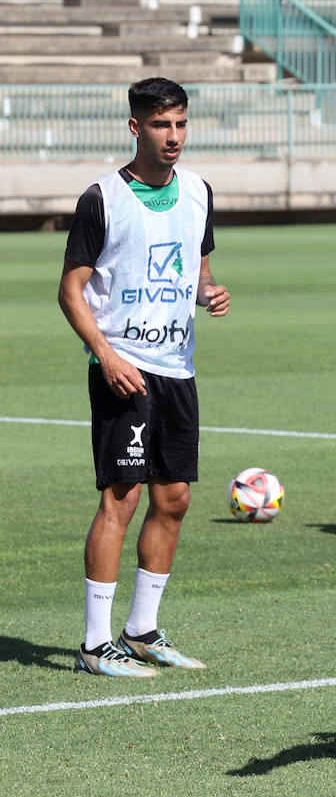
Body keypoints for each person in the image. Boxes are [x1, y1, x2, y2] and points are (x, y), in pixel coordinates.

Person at [58, 77, 229, 678]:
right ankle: (93, 644)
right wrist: (104, 352)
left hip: (178, 369)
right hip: (123, 369)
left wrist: (209, 293)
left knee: (175, 499)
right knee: (120, 500)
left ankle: (142, 631)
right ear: (136, 128)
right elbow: (71, 289)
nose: (174, 136)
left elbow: (198, 268)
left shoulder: (199, 192)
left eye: (181, 123)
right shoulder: (102, 198)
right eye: (161, 125)